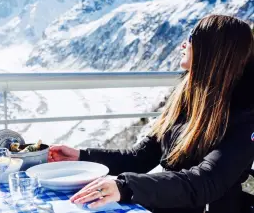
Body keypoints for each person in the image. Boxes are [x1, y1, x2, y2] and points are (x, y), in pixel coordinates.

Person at [48, 15, 254, 213]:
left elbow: (205, 182)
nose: (183, 44)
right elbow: (141, 156)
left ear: (211, 50)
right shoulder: (187, 96)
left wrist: (126, 187)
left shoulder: (246, 115)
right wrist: (82, 156)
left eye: (191, 37)